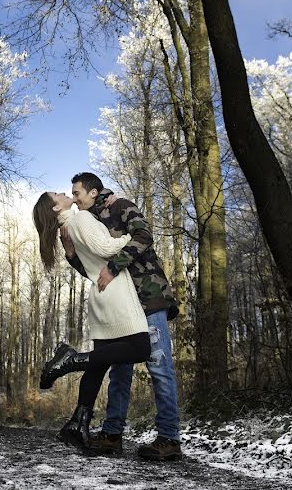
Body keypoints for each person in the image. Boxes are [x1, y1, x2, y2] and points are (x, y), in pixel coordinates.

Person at [61, 172, 182, 461]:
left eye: (77, 193)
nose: (74, 199)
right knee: (119, 371)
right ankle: (112, 435)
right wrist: (70, 254)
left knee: (159, 367)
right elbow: (95, 273)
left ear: (93, 192)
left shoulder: (120, 206)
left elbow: (144, 235)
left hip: (149, 298)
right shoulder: (87, 222)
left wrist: (115, 265)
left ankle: (169, 438)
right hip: (122, 306)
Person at [33, 191, 151, 454]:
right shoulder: (80, 219)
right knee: (141, 348)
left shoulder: (68, 228)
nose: (64, 193)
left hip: (99, 294)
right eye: (58, 194)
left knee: (98, 364)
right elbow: (107, 248)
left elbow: (88, 264)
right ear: (55, 208)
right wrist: (132, 236)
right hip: (115, 290)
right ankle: (71, 360)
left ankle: (77, 423)